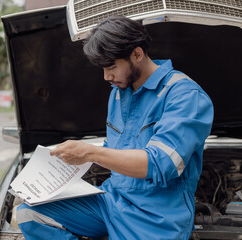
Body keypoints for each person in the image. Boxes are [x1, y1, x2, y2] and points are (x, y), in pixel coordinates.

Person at [16, 16, 214, 240]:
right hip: (111, 201)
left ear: (137, 54)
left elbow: (162, 164)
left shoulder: (184, 96)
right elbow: (114, 152)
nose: (106, 77)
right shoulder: (118, 94)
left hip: (156, 217)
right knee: (28, 214)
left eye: (111, 67)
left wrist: (90, 152)